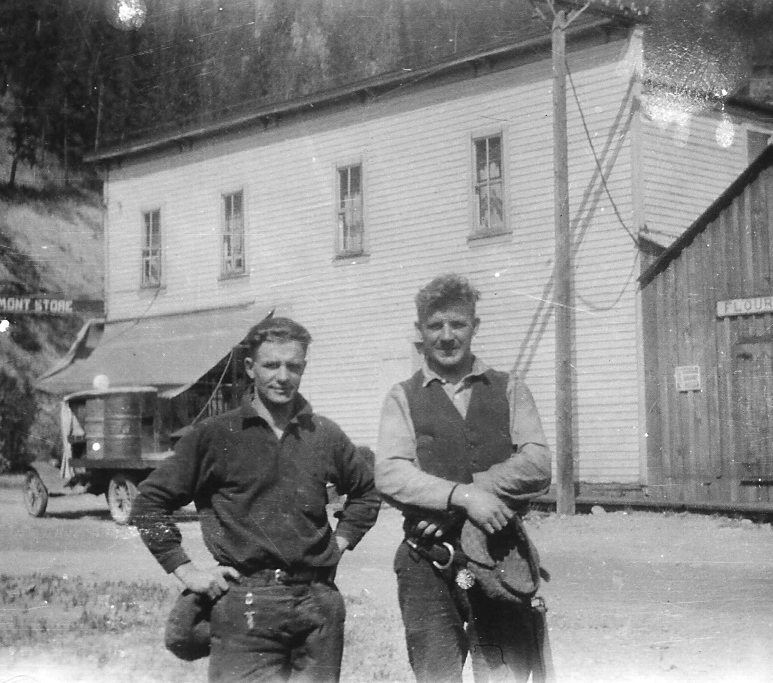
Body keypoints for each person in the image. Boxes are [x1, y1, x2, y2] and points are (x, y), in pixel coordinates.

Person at [131, 316, 380, 683]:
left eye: (293, 366)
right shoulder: (215, 435)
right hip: (247, 603)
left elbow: (366, 493)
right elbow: (149, 503)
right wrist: (187, 571)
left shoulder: (324, 434)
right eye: (271, 365)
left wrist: (340, 544)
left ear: (304, 368)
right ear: (250, 368)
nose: (283, 376)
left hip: (318, 604)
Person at [375, 273, 553, 683]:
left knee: (507, 674)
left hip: (500, 556)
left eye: (458, 323)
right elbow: (390, 472)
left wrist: (473, 493)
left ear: (475, 326)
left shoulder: (509, 389)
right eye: (435, 325)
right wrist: (462, 498)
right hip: (428, 562)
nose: (447, 335)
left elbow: (538, 462)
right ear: (420, 331)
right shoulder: (402, 396)